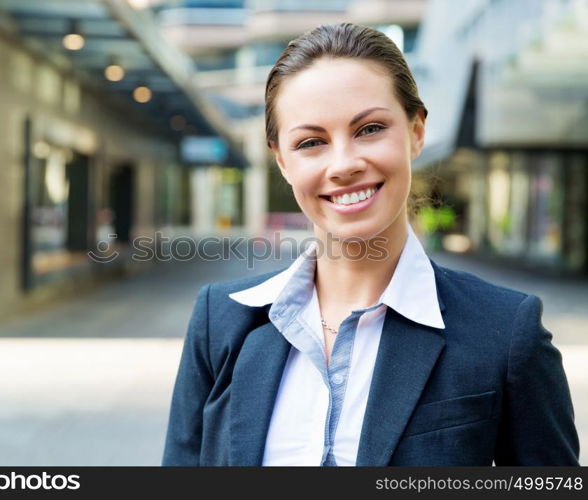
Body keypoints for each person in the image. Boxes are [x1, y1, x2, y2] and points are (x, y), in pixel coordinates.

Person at [162, 23, 580, 466]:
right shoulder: (221, 321)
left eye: (370, 129)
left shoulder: (506, 332)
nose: (343, 164)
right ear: (282, 161)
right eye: (311, 142)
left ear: (416, 131)